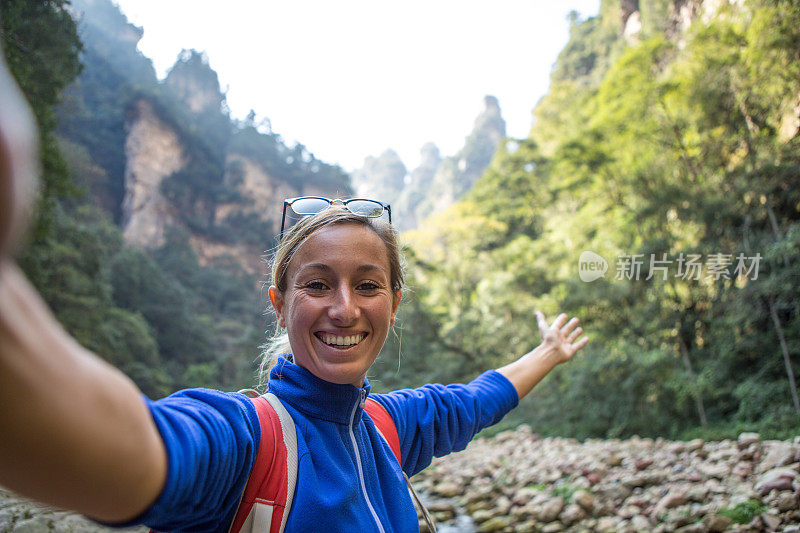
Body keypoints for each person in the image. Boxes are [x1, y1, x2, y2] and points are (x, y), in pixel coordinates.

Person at [0, 47, 588, 533]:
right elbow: (130, 450)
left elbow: (475, 400)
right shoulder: (241, 441)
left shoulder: (387, 426)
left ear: (394, 302)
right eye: (316, 284)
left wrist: (549, 353)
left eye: (368, 285)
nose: (344, 308)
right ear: (279, 305)